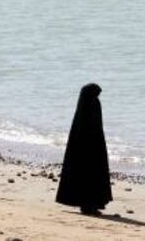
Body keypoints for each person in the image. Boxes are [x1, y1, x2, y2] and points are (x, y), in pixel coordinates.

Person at [56, 83, 112, 215]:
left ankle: (91, 205)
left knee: (91, 176)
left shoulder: (88, 104)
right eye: (96, 94)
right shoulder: (90, 105)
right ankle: (88, 206)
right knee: (89, 176)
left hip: (92, 147)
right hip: (90, 149)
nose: (98, 97)